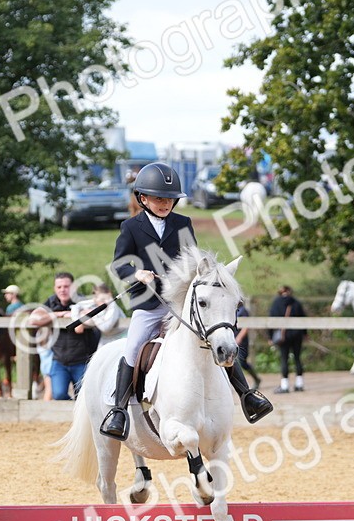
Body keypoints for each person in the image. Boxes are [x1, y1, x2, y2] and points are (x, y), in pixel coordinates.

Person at [99, 162, 273, 440]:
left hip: (179, 303)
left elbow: (192, 259)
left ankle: (247, 395)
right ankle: (118, 411)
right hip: (148, 303)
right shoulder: (131, 227)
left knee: (218, 338)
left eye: (169, 199)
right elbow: (119, 264)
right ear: (143, 198)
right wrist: (137, 272)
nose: (165, 204)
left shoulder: (183, 223)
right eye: (159, 199)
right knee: (132, 348)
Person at [29, 272, 100, 401]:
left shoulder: (83, 301)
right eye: (59, 287)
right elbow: (33, 319)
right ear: (55, 288)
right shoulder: (51, 302)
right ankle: (70, 417)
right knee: (59, 395)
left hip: (82, 360)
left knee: (83, 398)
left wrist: (75, 314)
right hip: (59, 360)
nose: (62, 290)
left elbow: (90, 318)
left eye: (66, 286)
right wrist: (60, 314)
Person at [269, 285, 307, 393]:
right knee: (297, 358)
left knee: (284, 359)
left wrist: (270, 336)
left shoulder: (276, 303)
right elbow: (303, 319)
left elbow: (271, 320)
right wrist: (305, 333)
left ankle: (284, 386)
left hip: (283, 336)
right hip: (297, 335)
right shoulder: (296, 302)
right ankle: (299, 384)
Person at [234, 299, 262, 389]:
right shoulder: (232, 310)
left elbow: (246, 326)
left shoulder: (243, 311)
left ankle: (256, 378)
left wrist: (239, 338)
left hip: (241, 341)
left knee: (242, 362)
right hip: (232, 339)